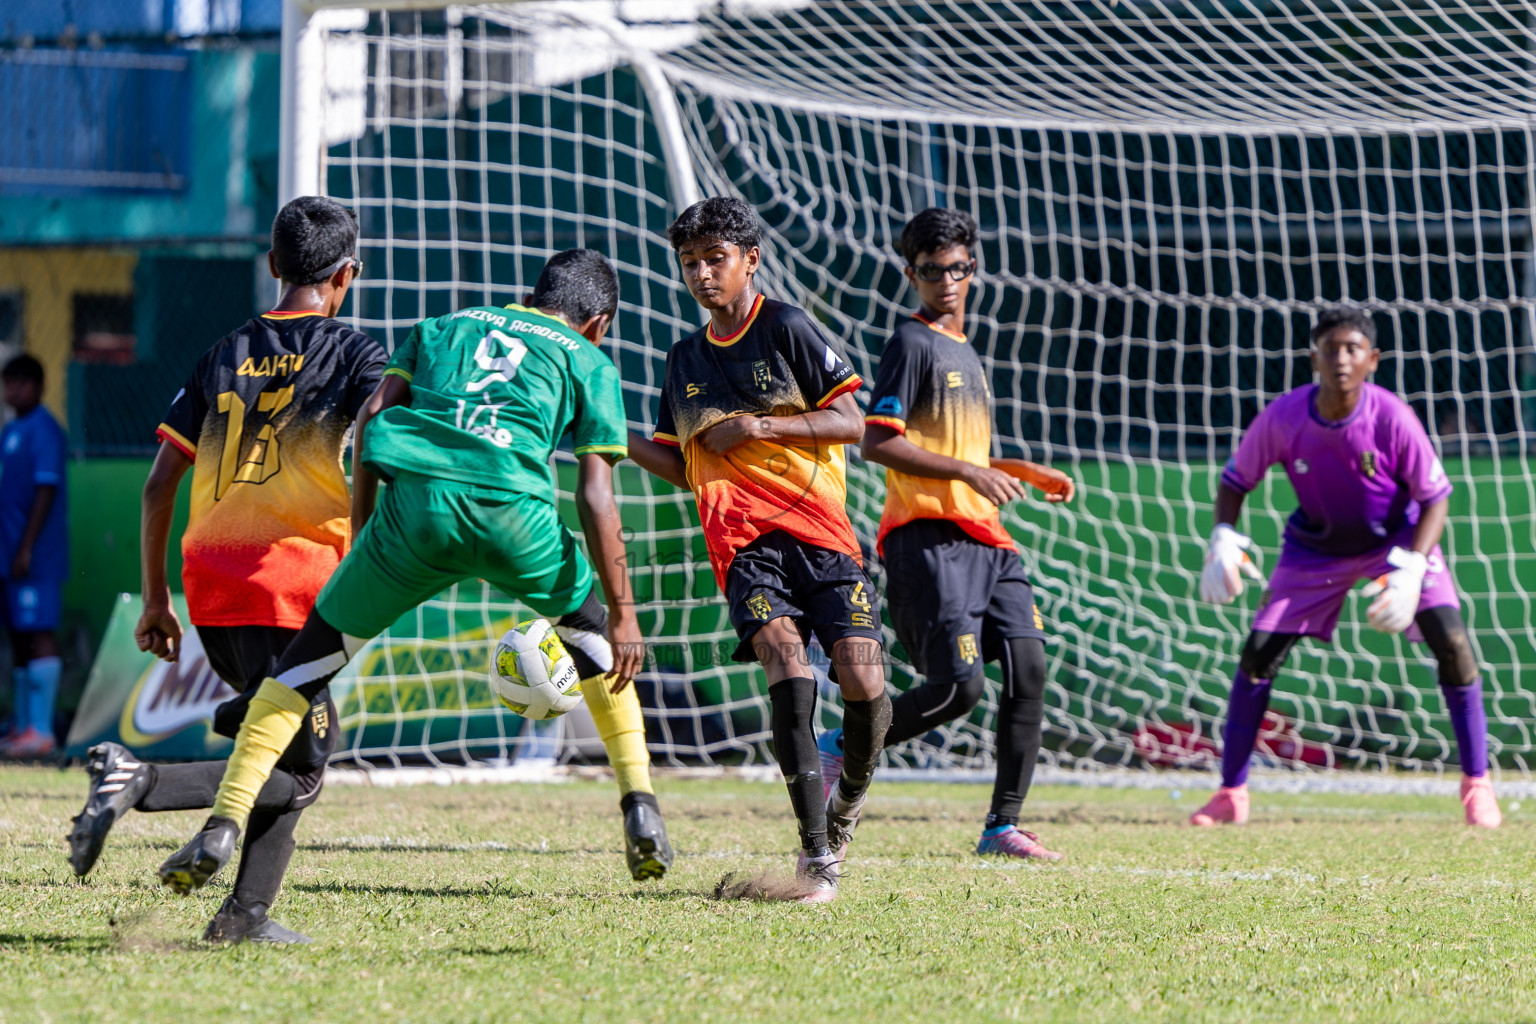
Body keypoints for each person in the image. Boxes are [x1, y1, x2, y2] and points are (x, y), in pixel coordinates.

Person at [156, 248, 675, 906]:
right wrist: (623, 613)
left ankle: (223, 822)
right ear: (598, 322)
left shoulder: (442, 327)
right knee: (596, 645)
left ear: (532, 293)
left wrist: (367, 530)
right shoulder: (588, 360)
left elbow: (372, 419)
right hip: (516, 517)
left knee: (299, 672)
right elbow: (597, 496)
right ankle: (641, 805)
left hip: (412, 515)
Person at [66, 195, 387, 944]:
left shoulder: (222, 352)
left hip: (211, 588)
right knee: (301, 770)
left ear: (272, 267)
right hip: (297, 588)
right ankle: (140, 781)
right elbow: (379, 445)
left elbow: (156, 488)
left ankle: (242, 919)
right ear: (350, 274)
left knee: (275, 743)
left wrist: (156, 601)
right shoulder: (357, 353)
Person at [627, 196, 891, 903]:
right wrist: (614, 436)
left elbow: (850, 420)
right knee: (782, 654)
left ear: (751, 260)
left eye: (716, 260)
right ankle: (816, 855)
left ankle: (847, 801)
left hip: (823, 536)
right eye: (691, 263)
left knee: (865, 683)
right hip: (743, 544)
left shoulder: (787, 327)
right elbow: (681, 460)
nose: (703, 274)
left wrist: (759, 431)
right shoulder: (682, 357)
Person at [820, 207, 1075, 861]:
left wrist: (1017, 471)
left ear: (973, 269)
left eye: (957, 268)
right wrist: (968, 471)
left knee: (1029, 667)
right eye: (931, 271)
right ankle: (843, 746)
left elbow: (959, 453)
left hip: (988, 539)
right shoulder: (912, 343)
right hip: (927, 539)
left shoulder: (964, 348)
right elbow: (878, 441)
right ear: (912, 274)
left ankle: (1002, 827)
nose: (947, 281)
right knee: (958, 689)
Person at [1193, 307, 1501, 828]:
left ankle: (1477, 786)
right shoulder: (1284, 416)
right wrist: (1222, 536)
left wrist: (1410, 569)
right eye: (1330, 348)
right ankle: (1231, 794)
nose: (1341, 358)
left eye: (1353, 348)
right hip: (1315, 548)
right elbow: (1235, 481)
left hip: (1399, 544)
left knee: (1452, 641)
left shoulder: (1393, 417)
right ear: (1314, 357)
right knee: (1258, 654)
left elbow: (1435, 499)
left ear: (1372, 360)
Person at [0, 355, 68, 759]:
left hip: (35, 557)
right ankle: (24, 728)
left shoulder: (45, 430)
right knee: (19, 636)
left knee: (39, 631)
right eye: (8, 384)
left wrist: (26, 547)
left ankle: (42, 731)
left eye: (21, 384)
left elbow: (46, 490)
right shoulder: (11, 430)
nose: (13, 392)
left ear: (40, 387)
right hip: (10, 556)